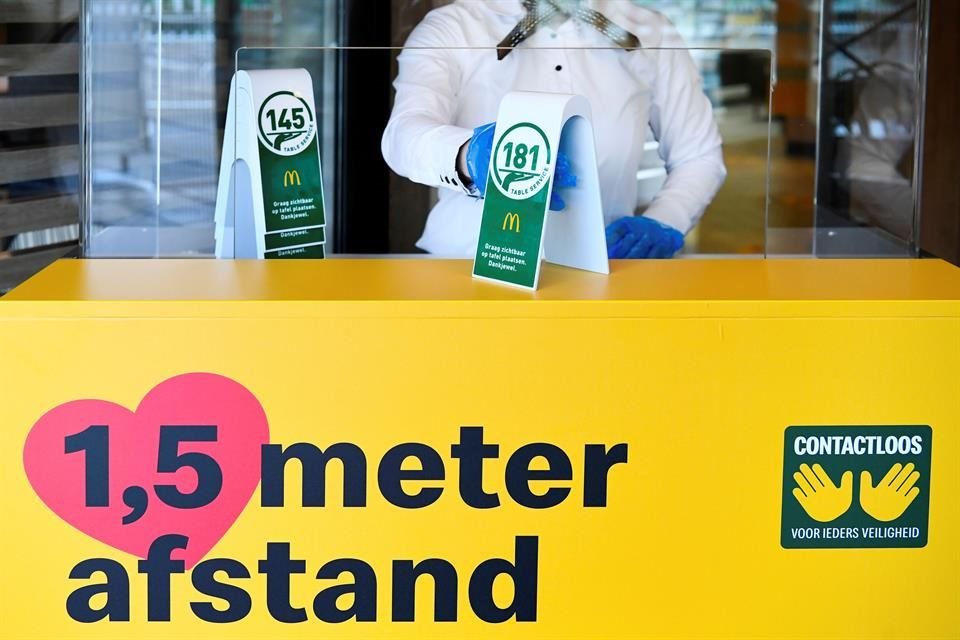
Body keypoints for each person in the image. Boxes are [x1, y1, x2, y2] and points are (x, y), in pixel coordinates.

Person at [381, 0, 726, 259]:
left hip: (605, 272)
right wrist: (467, 154)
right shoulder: (453, 27)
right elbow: (402, 136)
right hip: (461, 268)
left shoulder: (650, 33)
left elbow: (699, 156)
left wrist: (665, 221)